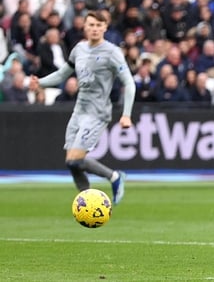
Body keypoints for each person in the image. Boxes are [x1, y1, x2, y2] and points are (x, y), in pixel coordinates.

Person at [28, 11, 135, 205]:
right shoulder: (79, 49)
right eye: (91, 25)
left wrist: (126, 114)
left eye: (98, 25)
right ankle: (88, 202)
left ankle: (114, 177)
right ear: (84, 27)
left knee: (76, 158)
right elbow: (62, 75)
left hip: (98, 112)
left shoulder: (112, 52)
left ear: (105, 27)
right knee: (71, 162)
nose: (94, 29)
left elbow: (129, 83)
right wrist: (40, 83)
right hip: (79, 111)